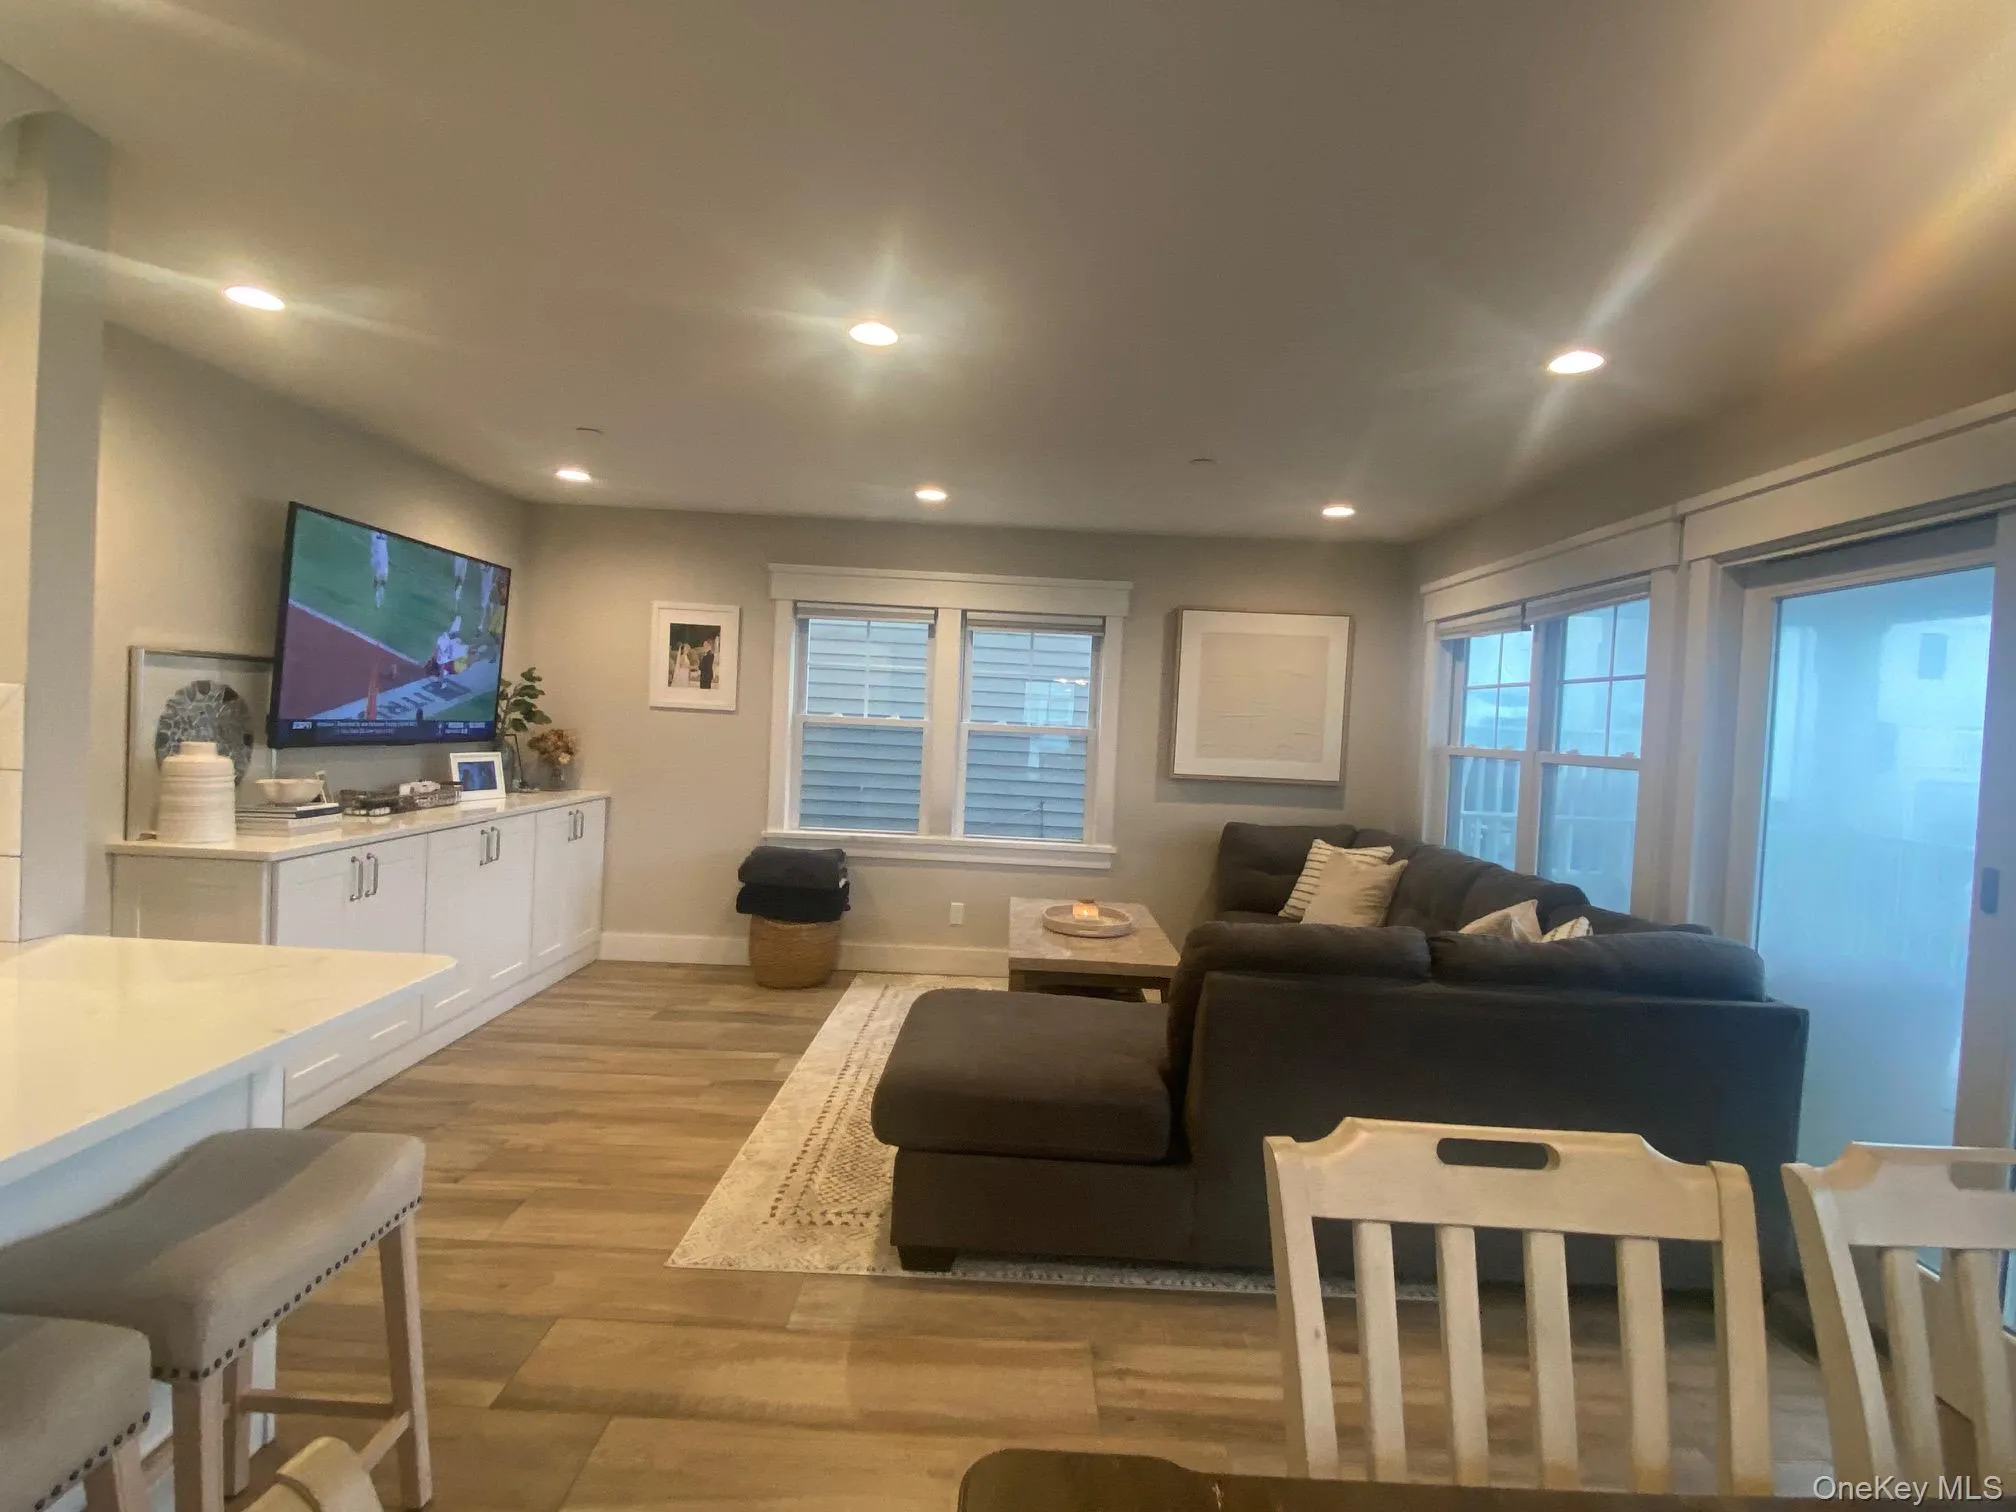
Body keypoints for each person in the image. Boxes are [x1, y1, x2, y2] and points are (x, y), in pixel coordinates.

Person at [370, 530, 390, 608]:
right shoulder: (380, 536)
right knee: (381, 584)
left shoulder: (375, 535)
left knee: (380, 584)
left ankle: (377, 601)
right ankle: (377, 602)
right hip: (382, 566)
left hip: (380, 565)